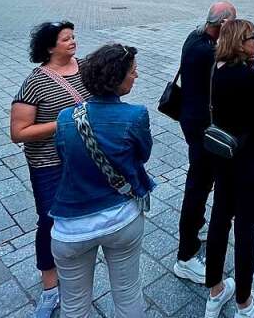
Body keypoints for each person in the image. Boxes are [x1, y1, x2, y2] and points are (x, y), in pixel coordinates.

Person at [50, 44, 151, 318]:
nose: (137, 75)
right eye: (132, 71)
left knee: (73, 305)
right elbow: (142, 154)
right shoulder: (136, 115)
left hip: (71, 227)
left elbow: (64, 158)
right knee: (128, 293)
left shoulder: (65, 118)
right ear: (117, 78)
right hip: (121, 217)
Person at [10, 20, 91, 318]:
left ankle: (77, 272)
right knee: (49, 220)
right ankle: (50, 287)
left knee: (83, 215)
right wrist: (63, 124)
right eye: (65, 39)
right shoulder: (36, 81)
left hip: (84, 158)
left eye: (73, 37)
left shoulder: (86, 68)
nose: (72, 42)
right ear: (49, 47)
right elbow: (18, 132)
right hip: (49, 163)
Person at [204, 20, 254, 318]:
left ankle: (215, 289)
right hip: (250, 159)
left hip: (223, 156)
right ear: (239, 43)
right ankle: (245, 303)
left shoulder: (215, 72)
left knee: (220, 218)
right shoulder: (250, 77)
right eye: (252, 38)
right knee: (246, 227)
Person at [174, 2, 237, 284]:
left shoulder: (195, 37)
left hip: (192, 121)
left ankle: (194, 231)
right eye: (233, 22)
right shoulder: (208, 51)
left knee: (199, 182)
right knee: (198, 186)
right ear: (222, 23)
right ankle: (186, 255)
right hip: (202, 128)